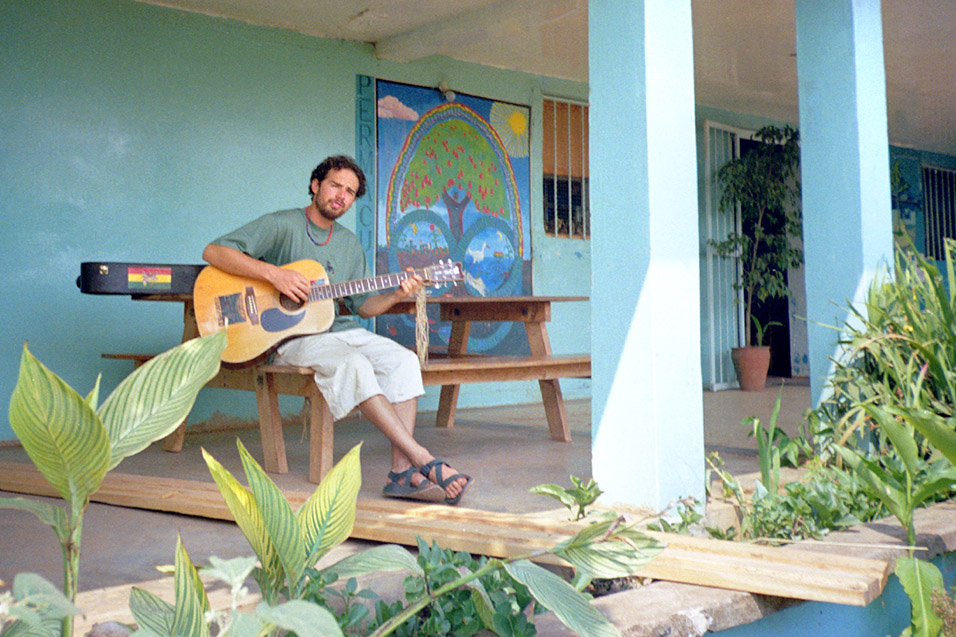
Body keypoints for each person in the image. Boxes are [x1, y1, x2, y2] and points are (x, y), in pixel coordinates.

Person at [202, 154, 471, 505]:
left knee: (404, 361)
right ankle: (423, 459)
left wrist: (396, 294)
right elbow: (214, 251)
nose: (341, 196)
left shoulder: (349, 244)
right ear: (316, 186)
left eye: (350, 192)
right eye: (335, 185)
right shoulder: (283, 225)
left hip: (340, 330)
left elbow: (363, 306)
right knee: (354, 364)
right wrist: (274, 274)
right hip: (292, 338)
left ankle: (401, 472)